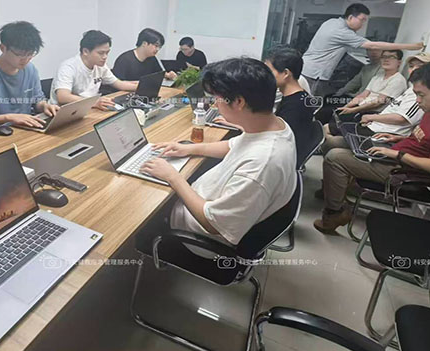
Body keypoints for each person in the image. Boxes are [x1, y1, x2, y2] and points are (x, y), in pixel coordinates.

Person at [137, 57, 296, 247]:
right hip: (212, 199)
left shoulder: (262, 163)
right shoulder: (274, 126)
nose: (215, 105)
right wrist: (188, 148)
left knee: (141, 201)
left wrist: (173, 177)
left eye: (216, 99)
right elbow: (233, 145)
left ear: (239, 102)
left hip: (200, 231)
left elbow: (213, 225)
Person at [313, 63, 430, 235]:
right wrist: (398, 138)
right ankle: (334, 192)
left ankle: (334, 213)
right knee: (334, 143)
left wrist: (398, 154)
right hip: (395, 154)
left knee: (335, 157)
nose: (418, 100)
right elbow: (424, 142)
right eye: (416, 94)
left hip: (406, 172)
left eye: (421, 95)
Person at [319, 52, 430, 156]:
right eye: (411, 66)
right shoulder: (405, 87)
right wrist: (348, 107)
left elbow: (401, 118)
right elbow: (363, 94)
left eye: (420, 66)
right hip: (374, 124)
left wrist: (368, 116)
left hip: (378, 129)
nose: (414, 69)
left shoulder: (419, 92)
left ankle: (322, 149)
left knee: (331, 139)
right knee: (329, 109)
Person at [301, 3, 424, 97]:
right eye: (362, 20)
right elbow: (372, 45)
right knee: (311, 103)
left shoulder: (332, 22)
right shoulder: (342, 32)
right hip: (315, 74)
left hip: (307, 68)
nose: (363, 24)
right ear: (350, 17)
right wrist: (410, 47)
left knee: (308, 102)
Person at [52, 30, 137, 110]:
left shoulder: (100, 66)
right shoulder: (68, 67)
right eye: (101, 53)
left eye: (107, 53)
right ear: (85, 51)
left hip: (89, 108)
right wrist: (93, 102)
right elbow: (63, 96)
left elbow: (119, 84)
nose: (105, 57)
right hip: (63, 112)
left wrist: (141, 86)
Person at [264, 46, 316, 168]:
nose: (265, 76)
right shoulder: (299, 96)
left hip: (281, 161)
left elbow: (278, 138)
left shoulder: (295, 106)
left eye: (269, 72)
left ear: (286, 73)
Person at [335, 49, 407, 117]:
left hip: (374, 114)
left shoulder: (398, 80)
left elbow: (379, 102)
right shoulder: (378, 76)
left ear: (399, 62)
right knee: (334, 110)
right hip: (361, 108)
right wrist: (346, 107)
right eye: (384, 57)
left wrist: (353, 110)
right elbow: (363, 95)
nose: (386, 60)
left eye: (391, 57)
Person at [111, 28, 177, 82]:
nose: (158, 49)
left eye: (159, 47)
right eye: (156, 46)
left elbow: (158, 74)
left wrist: (168, 75)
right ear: (144, 43)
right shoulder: (124, 60)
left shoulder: (152, 58)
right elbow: (118, 82)